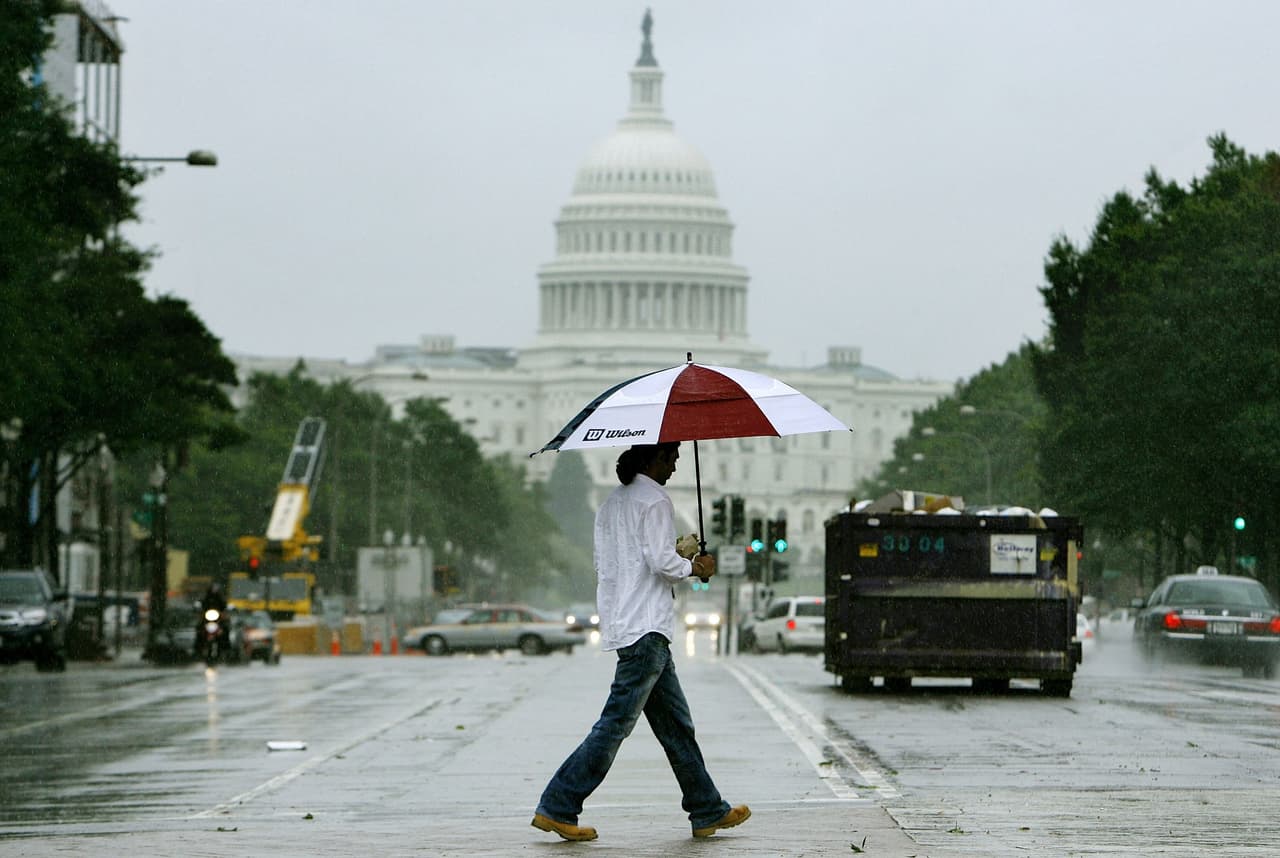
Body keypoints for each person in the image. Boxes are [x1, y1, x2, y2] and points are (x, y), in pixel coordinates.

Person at [531, 441, 751, 842]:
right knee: (615, 724)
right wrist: (695, 565)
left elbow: (615, 563)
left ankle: (706, 808)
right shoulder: (655, 500)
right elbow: (661, 564)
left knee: (676, 727)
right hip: (648, 627)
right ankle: (558, 804)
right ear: (656, 458)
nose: (676, 466)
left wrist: (675, 556)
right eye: (673, 458)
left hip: (628, 622)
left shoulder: (613, 504)